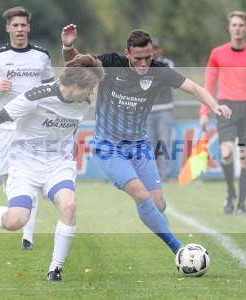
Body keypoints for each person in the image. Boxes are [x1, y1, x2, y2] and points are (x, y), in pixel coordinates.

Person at [61, 25, 231, 260]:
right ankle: (179, 250)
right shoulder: (112, 64)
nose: (143, 64)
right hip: (109, 147)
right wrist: (68, 46)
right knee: (141, 195)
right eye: (138, 58)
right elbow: (77, 67)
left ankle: (163, 229)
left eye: (148, 58)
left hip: (140, 145)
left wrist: (215, 106)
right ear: (127, 53)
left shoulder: (159, 72)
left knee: (158, 203)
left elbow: (193, 87)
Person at [0, 54, 104, 281]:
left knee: (69, 206)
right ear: (77, 85)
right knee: (16, 221)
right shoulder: (36, 96)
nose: (91, 94)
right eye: (90, 88)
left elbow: (70, 131)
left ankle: (55, 269)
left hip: (58, 164)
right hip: (24, 163)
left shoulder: (83, 103)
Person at [0, 6, 55, 250]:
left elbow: (51, 86)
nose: (19, 29)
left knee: (33, 175)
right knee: (11, 181)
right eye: (15, 25)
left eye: (23, 25)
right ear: (8, 28)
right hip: (6, 127)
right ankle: (3, 216)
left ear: (29, 27)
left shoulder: (42, 55)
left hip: (35, 126)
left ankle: (27, 236)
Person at [199, 10, 246, 215]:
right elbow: (209, 84)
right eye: (234, 25)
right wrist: (204, 111)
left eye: (241, 25)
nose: (238, 28)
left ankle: (241, 203)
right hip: (226, 108)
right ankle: (230, 192)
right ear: (228, 28)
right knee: (226, 153)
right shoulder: (217, 53)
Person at [146, 38, 175, 181]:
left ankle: (165, 175)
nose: (153, 51)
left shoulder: (168, 64)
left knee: (164, 144)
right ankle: (151, 175)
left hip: (164, 109)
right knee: (149, 145)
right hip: (147, 111)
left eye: (156, 48)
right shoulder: (143, 64)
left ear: (160, 50)